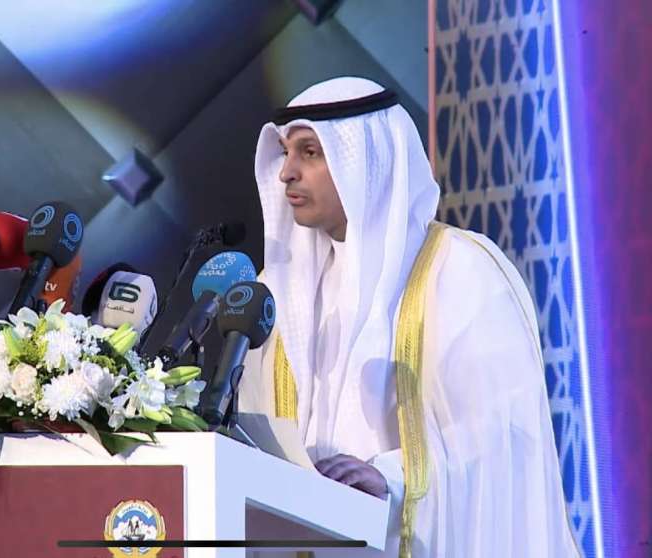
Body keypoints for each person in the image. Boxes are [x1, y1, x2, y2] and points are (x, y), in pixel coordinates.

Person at [238, 77, 580, 557]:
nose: (286, 173)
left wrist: (394, 478)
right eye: (285, 153)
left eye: (310, 153)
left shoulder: (459, 269)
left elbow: (504, 434)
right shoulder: (279, 289)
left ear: (367, 161)